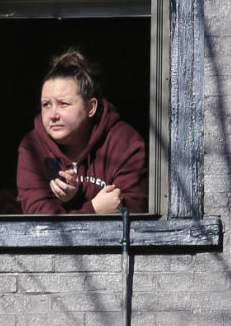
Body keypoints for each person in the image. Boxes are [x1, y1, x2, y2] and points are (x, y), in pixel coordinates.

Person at [17, 49, 148, 217]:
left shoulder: (124, 142)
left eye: (63, 104)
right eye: (46, 104)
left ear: (91, 107)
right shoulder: (33, 147)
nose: (53, 115)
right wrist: (94, 209)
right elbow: (40, 221)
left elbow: (135, 210)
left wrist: (77, 196)